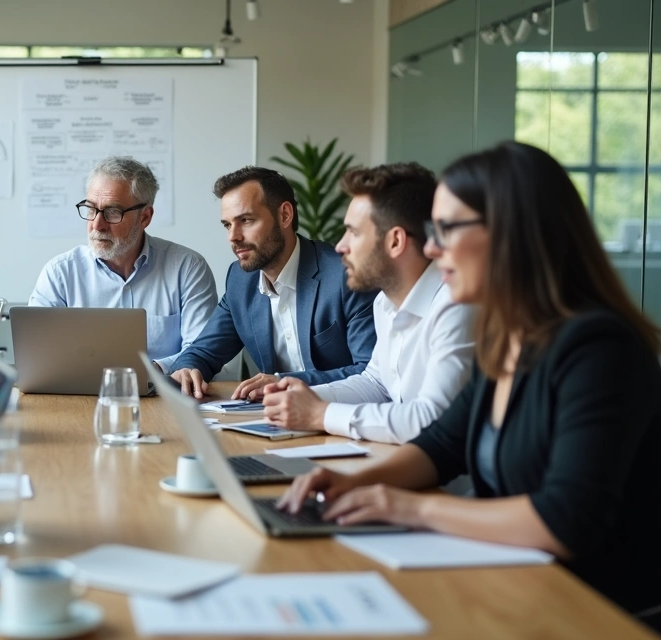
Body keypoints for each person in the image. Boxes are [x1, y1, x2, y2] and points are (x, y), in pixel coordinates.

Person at [279, 141, 661, 630]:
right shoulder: (509, 337)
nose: (432, 248)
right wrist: (355, 483)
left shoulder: (600, 349)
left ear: (512, 234)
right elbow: (443, 444)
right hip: (519, 584)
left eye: (446, 230)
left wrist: (412, 507)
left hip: (595, 610)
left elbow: (563, 520)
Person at [262, 163, 475, 444]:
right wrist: (302, 397)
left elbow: (431, 419)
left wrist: (321, 414)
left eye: (354, 232)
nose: (340, 246)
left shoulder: (456, 305)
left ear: (395, 241)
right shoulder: (384, 303)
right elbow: (376, 383)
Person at [169, 166, 377, 400]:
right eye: (227, 224)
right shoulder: (240, 280)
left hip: (341, 418)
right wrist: (187, 368)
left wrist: (285, 383)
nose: (233, 236)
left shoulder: (345, 275)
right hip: (277, 421)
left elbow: (371, 373)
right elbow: (204, 351)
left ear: (285, 215)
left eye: (246, 220)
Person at [28, 156, 217, 372]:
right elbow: (37, 354)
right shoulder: (60, 273)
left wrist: (151, 372)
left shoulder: (188, 269)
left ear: (144, 217)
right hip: (78, 397)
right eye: (91, 209)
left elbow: (202, 351)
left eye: (112, 212)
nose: (97, 225)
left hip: (164, 395)